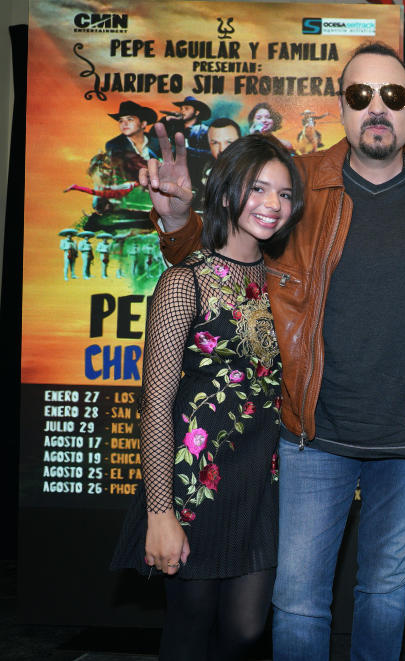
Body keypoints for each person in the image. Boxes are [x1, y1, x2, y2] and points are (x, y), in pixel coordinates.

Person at [139, 42, 405, 661]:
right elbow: (216, 271)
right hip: (309, 437)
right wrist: (180, 220)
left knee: (387, 593)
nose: (376, 109)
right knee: (298, 602)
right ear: (340, 107)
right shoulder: (298, 185)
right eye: (359, 95)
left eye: (392, 97)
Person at [111, 134, 305, 661]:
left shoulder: (285, 286)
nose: (272, 204)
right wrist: (159, 512)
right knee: (191, 629)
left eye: (285, 195)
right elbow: (155, 406)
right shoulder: (183, 284)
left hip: (264, 486)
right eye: (258, 188)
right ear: (224, 195)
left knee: (245, 633)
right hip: (194, 486)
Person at [105, 100, 160, 181]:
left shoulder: (158, 143)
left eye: (130, 119)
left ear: (143, 124)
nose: (124, 123)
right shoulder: (114, 145)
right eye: (121, 121)